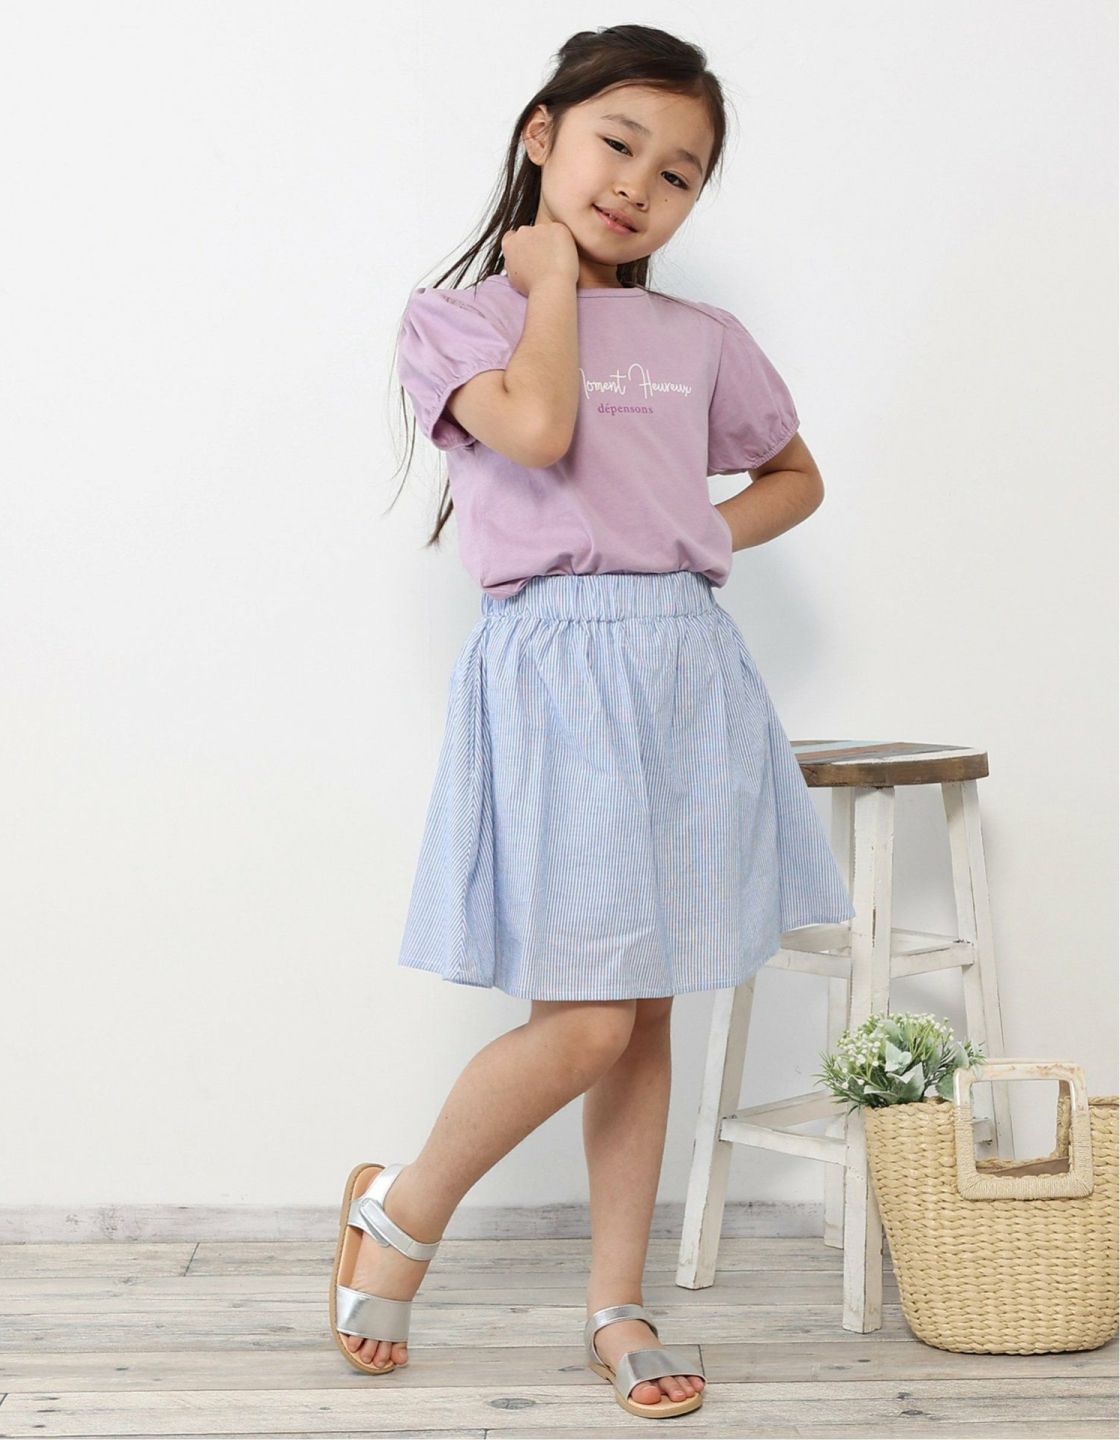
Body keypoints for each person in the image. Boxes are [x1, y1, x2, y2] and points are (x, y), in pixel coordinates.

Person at [329, 24, 855, 1421]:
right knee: (586, 1022)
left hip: (686, 669)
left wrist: (695, 533)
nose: (639, 184)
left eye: (678, 173)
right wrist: (551, 279)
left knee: (647, 1002)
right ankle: (401, 1208)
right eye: (619, 143)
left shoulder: (702, 339)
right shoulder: (454, 322)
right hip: (556, 673)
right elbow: (540, 428)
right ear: (542, 132)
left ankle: (617, 1301)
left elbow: (794, 475)